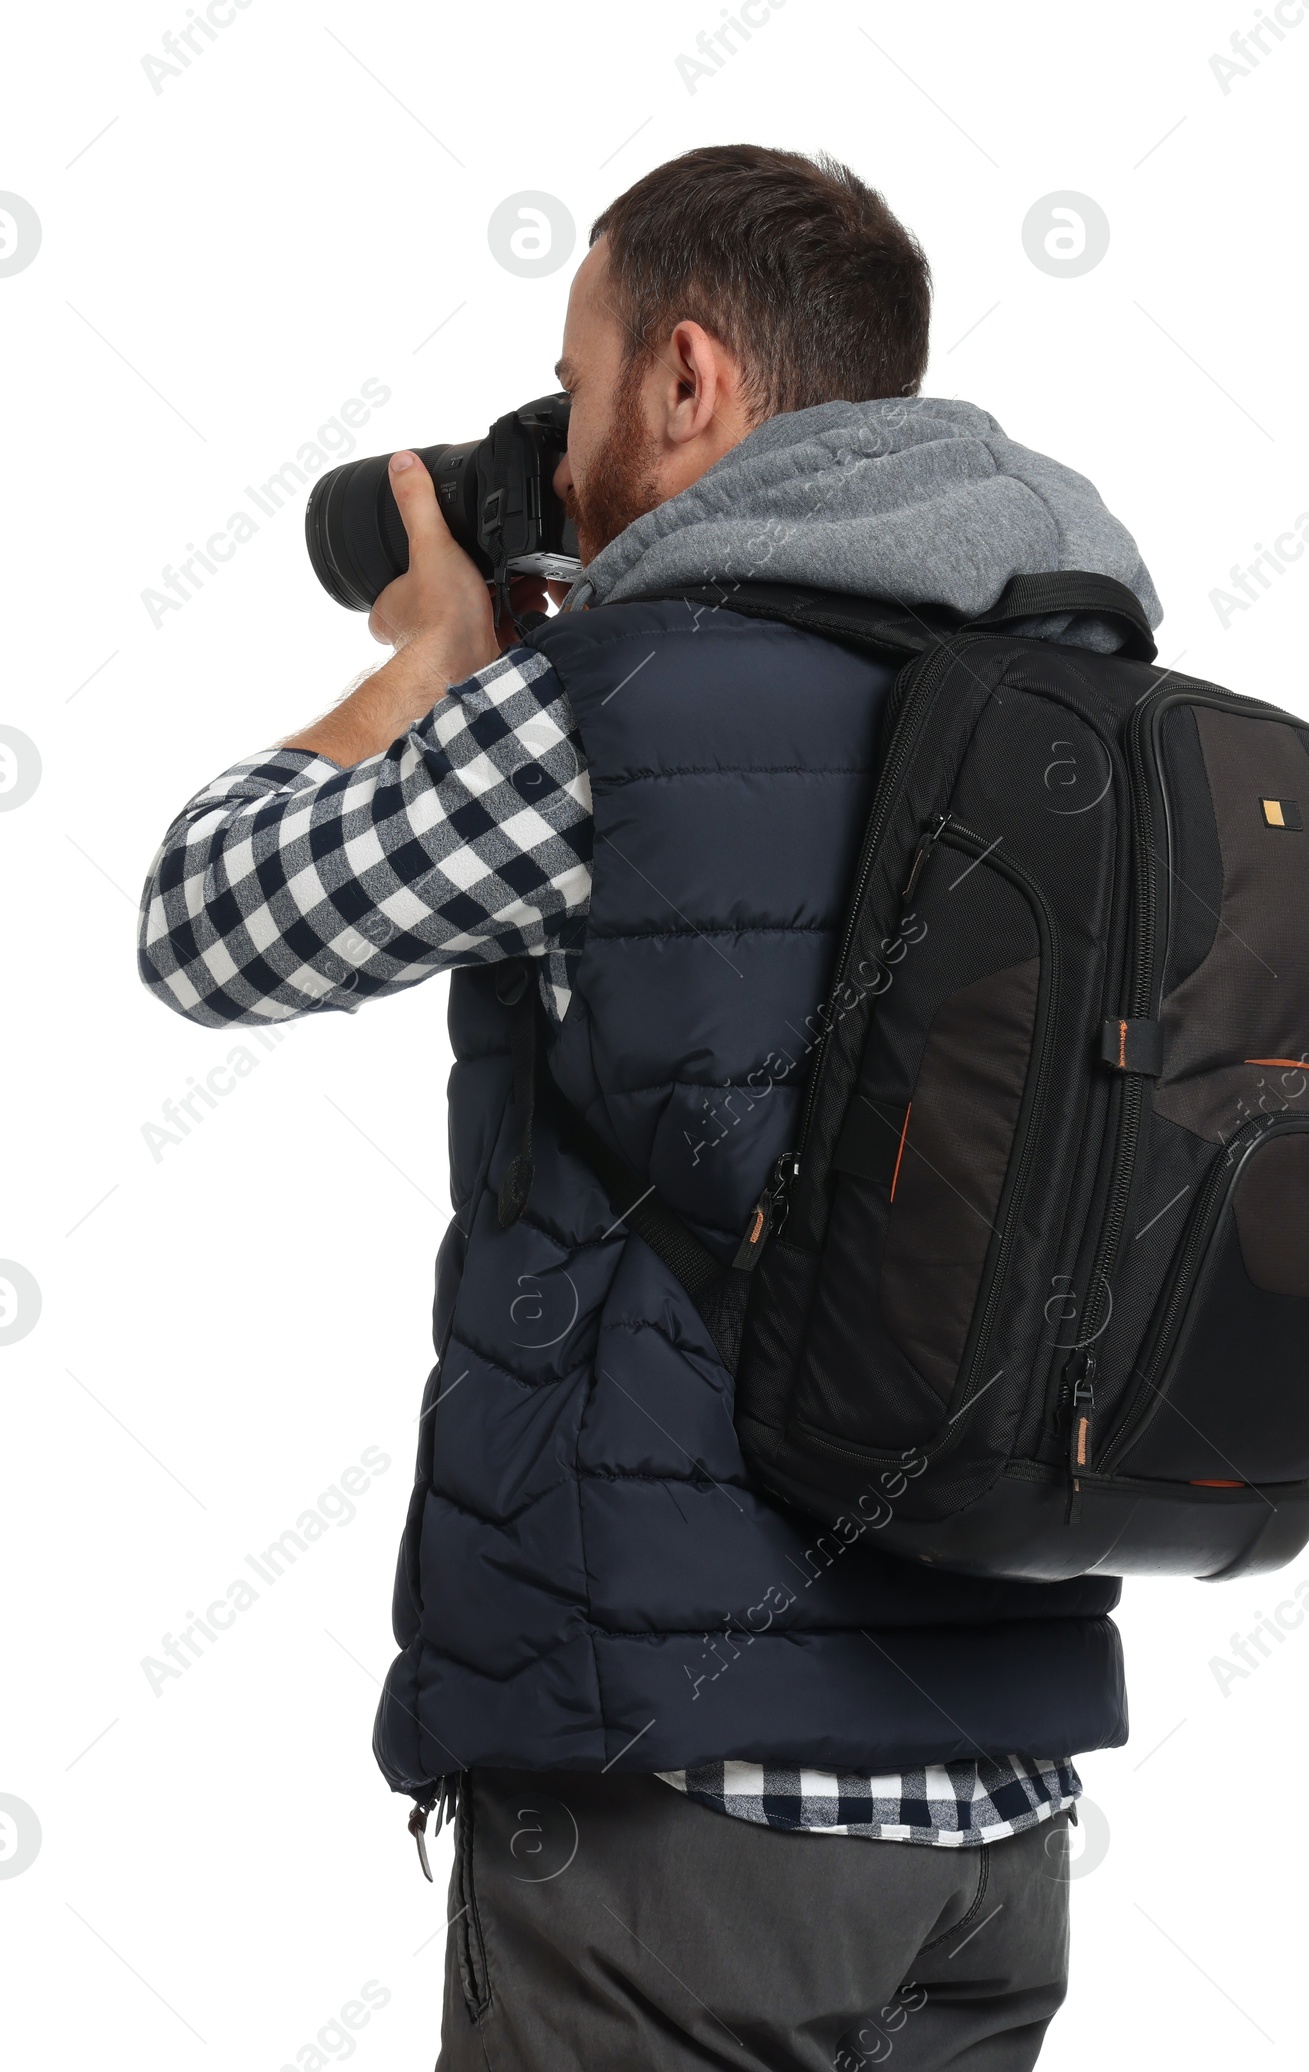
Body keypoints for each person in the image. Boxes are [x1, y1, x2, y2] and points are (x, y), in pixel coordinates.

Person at [138, 144, 1162, 2072]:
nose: (572, 443)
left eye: (583, 378)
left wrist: (431, 675)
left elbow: (209, 918)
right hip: (998, 1828)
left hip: (674, 1820)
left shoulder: (625, 708)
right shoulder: (1097, 716)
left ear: (690, 380)